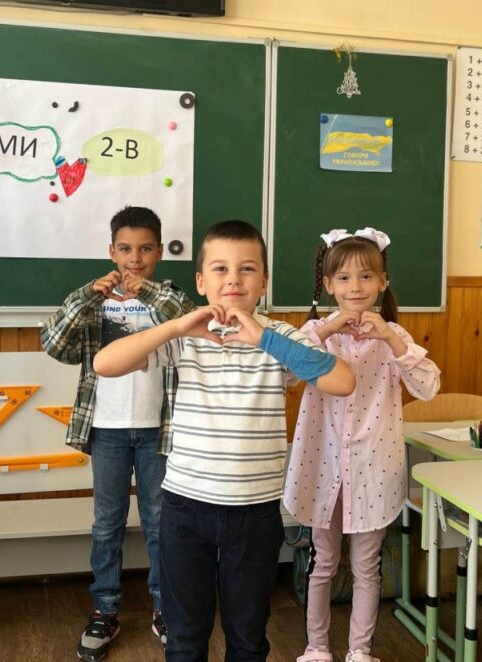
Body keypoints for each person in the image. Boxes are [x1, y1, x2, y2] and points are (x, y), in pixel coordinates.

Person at [93, 220, 356, 661]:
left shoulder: (281, 340)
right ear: (201, 281)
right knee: (185, 637)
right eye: (219, 269)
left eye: (247, 268)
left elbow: (343, 381)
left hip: (254, 513)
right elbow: (106, 364)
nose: (233, 279)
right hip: (184, 509)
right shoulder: (186, 341)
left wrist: (263, 337)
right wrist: (176, 327)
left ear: (264, 281)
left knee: (248, 637)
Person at [41, 206, 195, 661]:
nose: (135, 258)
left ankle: (165, 608)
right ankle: (105, 608)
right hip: (106, 429)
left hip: (158, 431)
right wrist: (87, 295)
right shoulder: (95, 301)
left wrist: (146, 291)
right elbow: (54, 344)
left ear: (160, 252)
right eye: (125, 249)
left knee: (160, 523)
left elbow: (190, 319)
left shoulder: (167, 297)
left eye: (145, 249)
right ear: (111, 251)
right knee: (107, 523)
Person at [286, 228, 440, 662]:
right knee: (323, 563)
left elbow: (428, 387)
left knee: (367, 566)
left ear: (383, 282)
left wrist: (392, 340)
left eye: (366, 277)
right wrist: (326, 330)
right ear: (329, 284)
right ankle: (317, 648)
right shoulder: (315, 332)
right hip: (323, 466)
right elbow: (285, 376)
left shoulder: (396, 337)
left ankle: (359, 650)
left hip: (374, 466)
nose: (356, 287)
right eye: (345, 278)